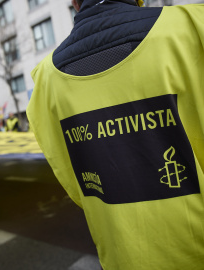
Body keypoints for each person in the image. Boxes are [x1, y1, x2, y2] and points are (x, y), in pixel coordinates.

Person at [27, 1, 204, 269]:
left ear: (75, 2)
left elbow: (75, 184)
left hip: (123, 255)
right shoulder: (193, 24)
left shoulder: (45, 80)